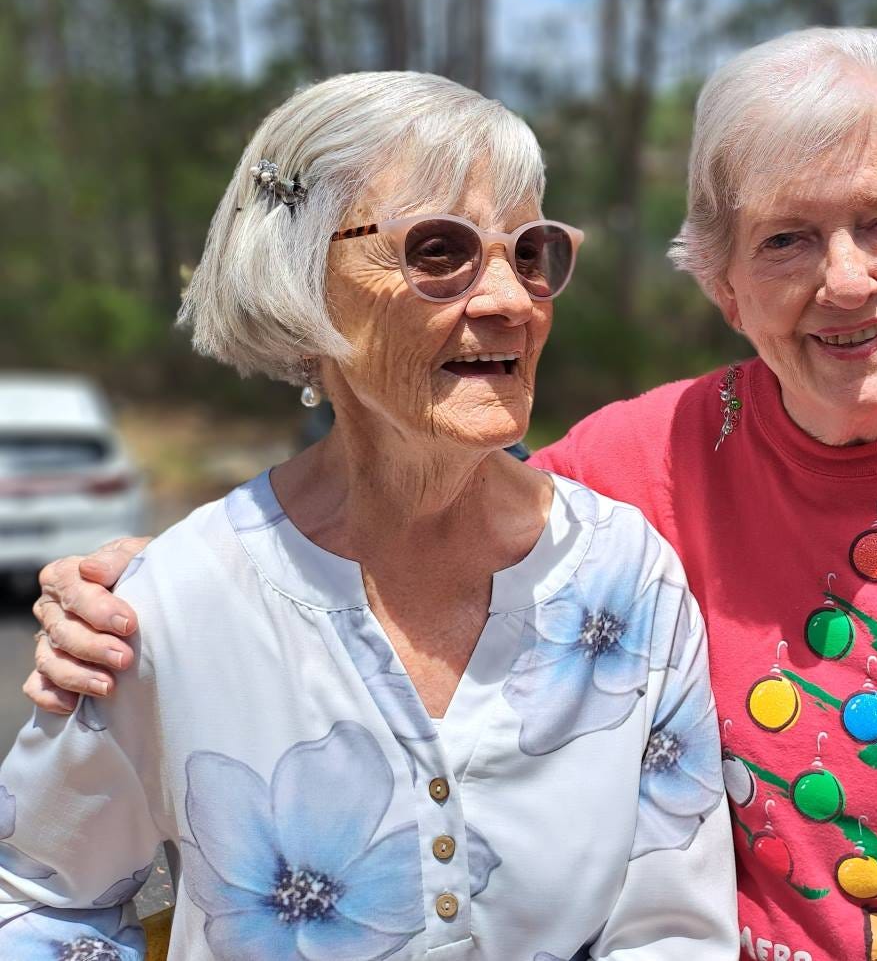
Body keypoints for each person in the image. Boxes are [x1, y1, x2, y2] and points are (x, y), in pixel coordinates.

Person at [27, 28, 877, 960]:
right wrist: (145, 588)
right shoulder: (638, 475)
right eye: (786, 240)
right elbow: (397, 497)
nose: (847, 279)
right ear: (724, 285)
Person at [0, 71, 737, 960]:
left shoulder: (626, 577)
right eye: (438, 250)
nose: (511, 300)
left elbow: (674, 929)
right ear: (301, 281)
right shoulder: (176, 601)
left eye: (530, 253)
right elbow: (39, 897)